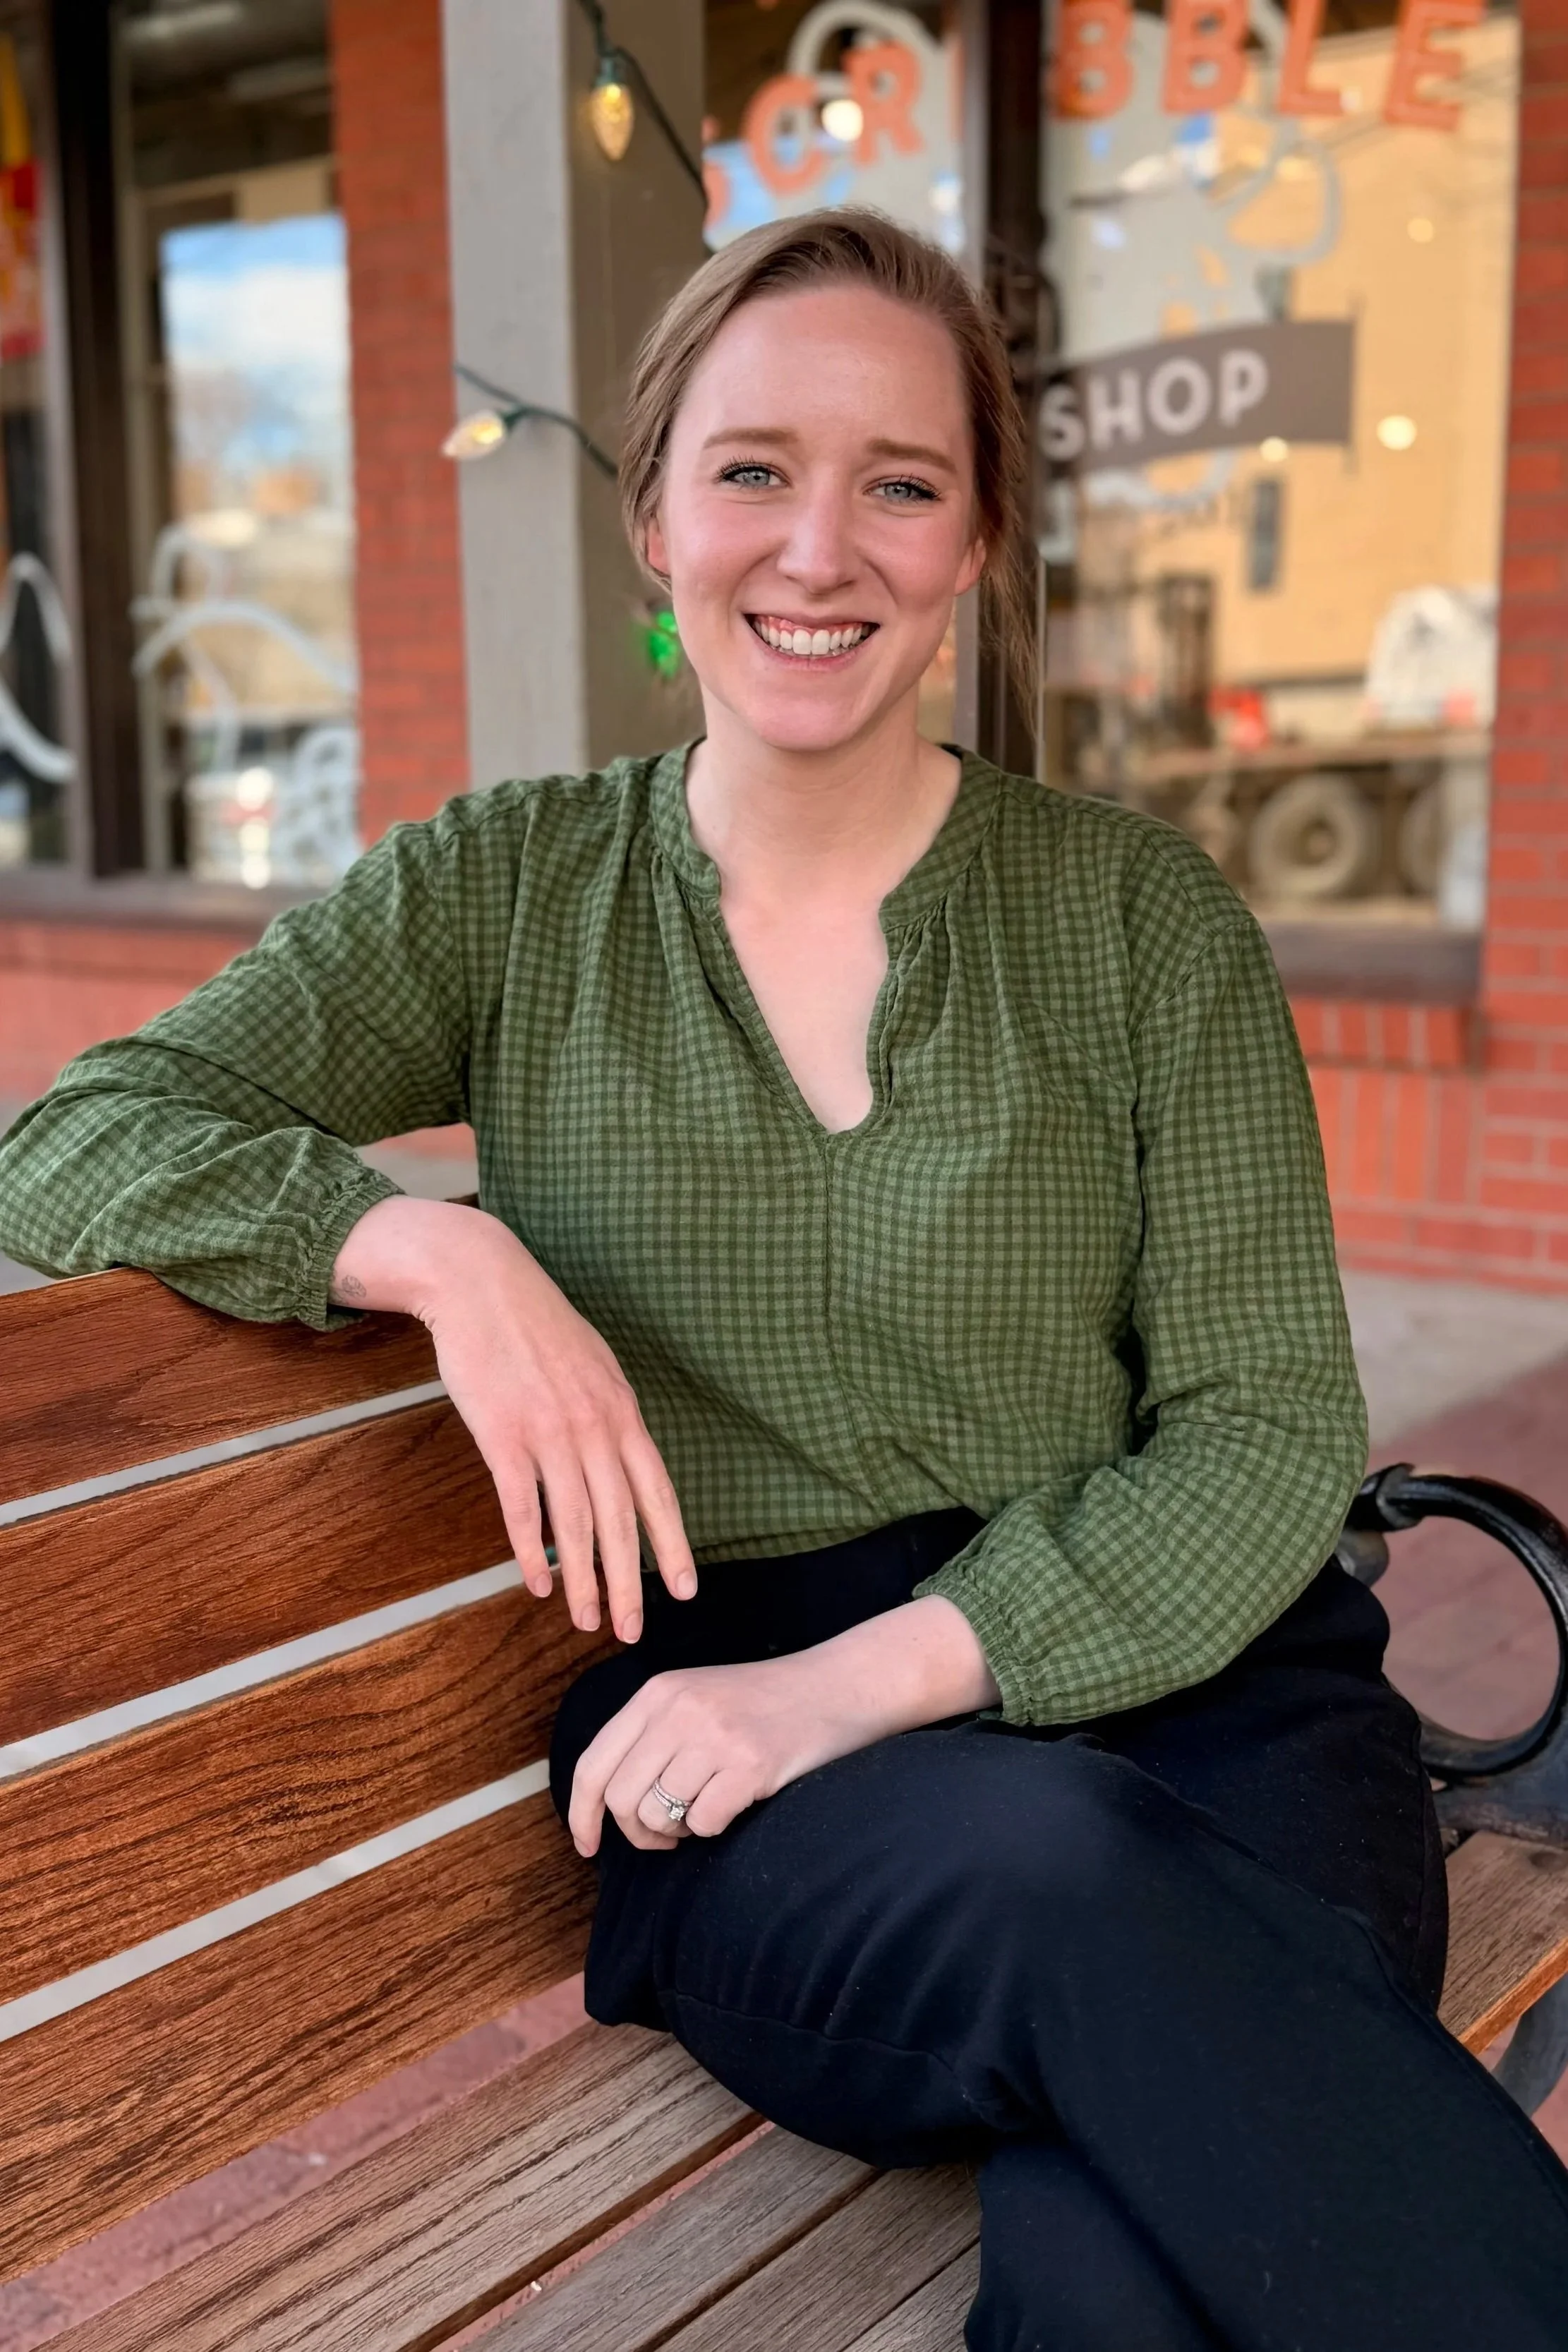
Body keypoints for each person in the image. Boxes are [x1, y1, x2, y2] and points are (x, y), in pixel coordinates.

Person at [2, 208, 1566, 2348]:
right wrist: (429, 1247)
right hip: (761, 1801)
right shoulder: (510, 893)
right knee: (1067, 1878)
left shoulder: (1137, 920)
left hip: (1196, 1702)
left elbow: (1265, 1435)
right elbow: (71, 1140)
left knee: (1121, 2260)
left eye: (897, 483)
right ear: (652, 517)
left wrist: (847, 1680)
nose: (816, 547)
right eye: (751, 469)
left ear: (973, 548)